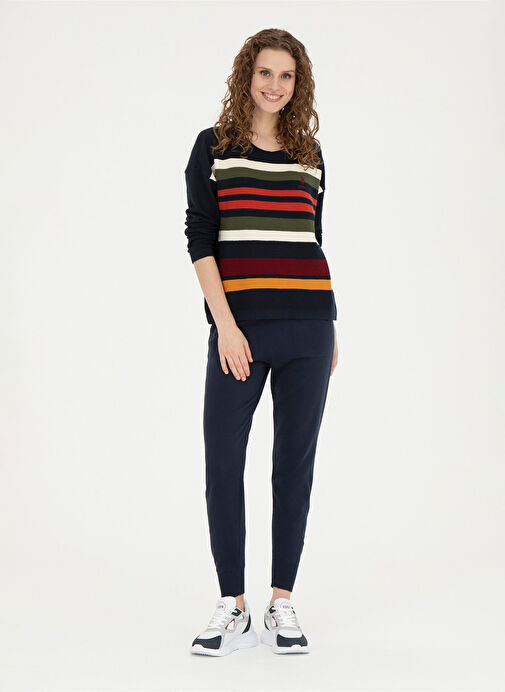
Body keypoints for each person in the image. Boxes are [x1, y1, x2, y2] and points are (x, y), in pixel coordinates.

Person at [184, 28, 339, 657]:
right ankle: (233, 603)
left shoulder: (310, 154)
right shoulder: (213, 147)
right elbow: (201, 239)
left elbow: (311, 241)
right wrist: (225, 324)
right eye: (265, 72)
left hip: (309, 328)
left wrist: (332, 325)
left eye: (287, 76)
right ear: (246, 74)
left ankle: (282, 601)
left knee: (293, 465)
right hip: (239, 332)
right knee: (223, 461)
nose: (275, 85)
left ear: (299, 85)